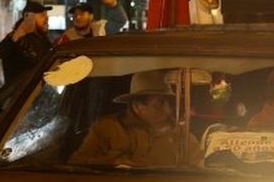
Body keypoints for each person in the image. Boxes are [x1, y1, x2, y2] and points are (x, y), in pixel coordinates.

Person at [69, 69, 201, 167]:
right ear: (137, 106)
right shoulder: (107, 129)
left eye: (169, 103)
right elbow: (76, 163)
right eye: (159, 104)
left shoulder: (183, 138)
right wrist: (112, 162)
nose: (167, 110)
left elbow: (198, 173)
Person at [0, 1, 52, 84]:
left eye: (46, 15)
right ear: (28, 16)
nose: (47, 18)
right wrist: (16, 36)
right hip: (21, 94)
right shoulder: (16, 38)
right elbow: (1, 52)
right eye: (42, 15)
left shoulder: (44, 40)